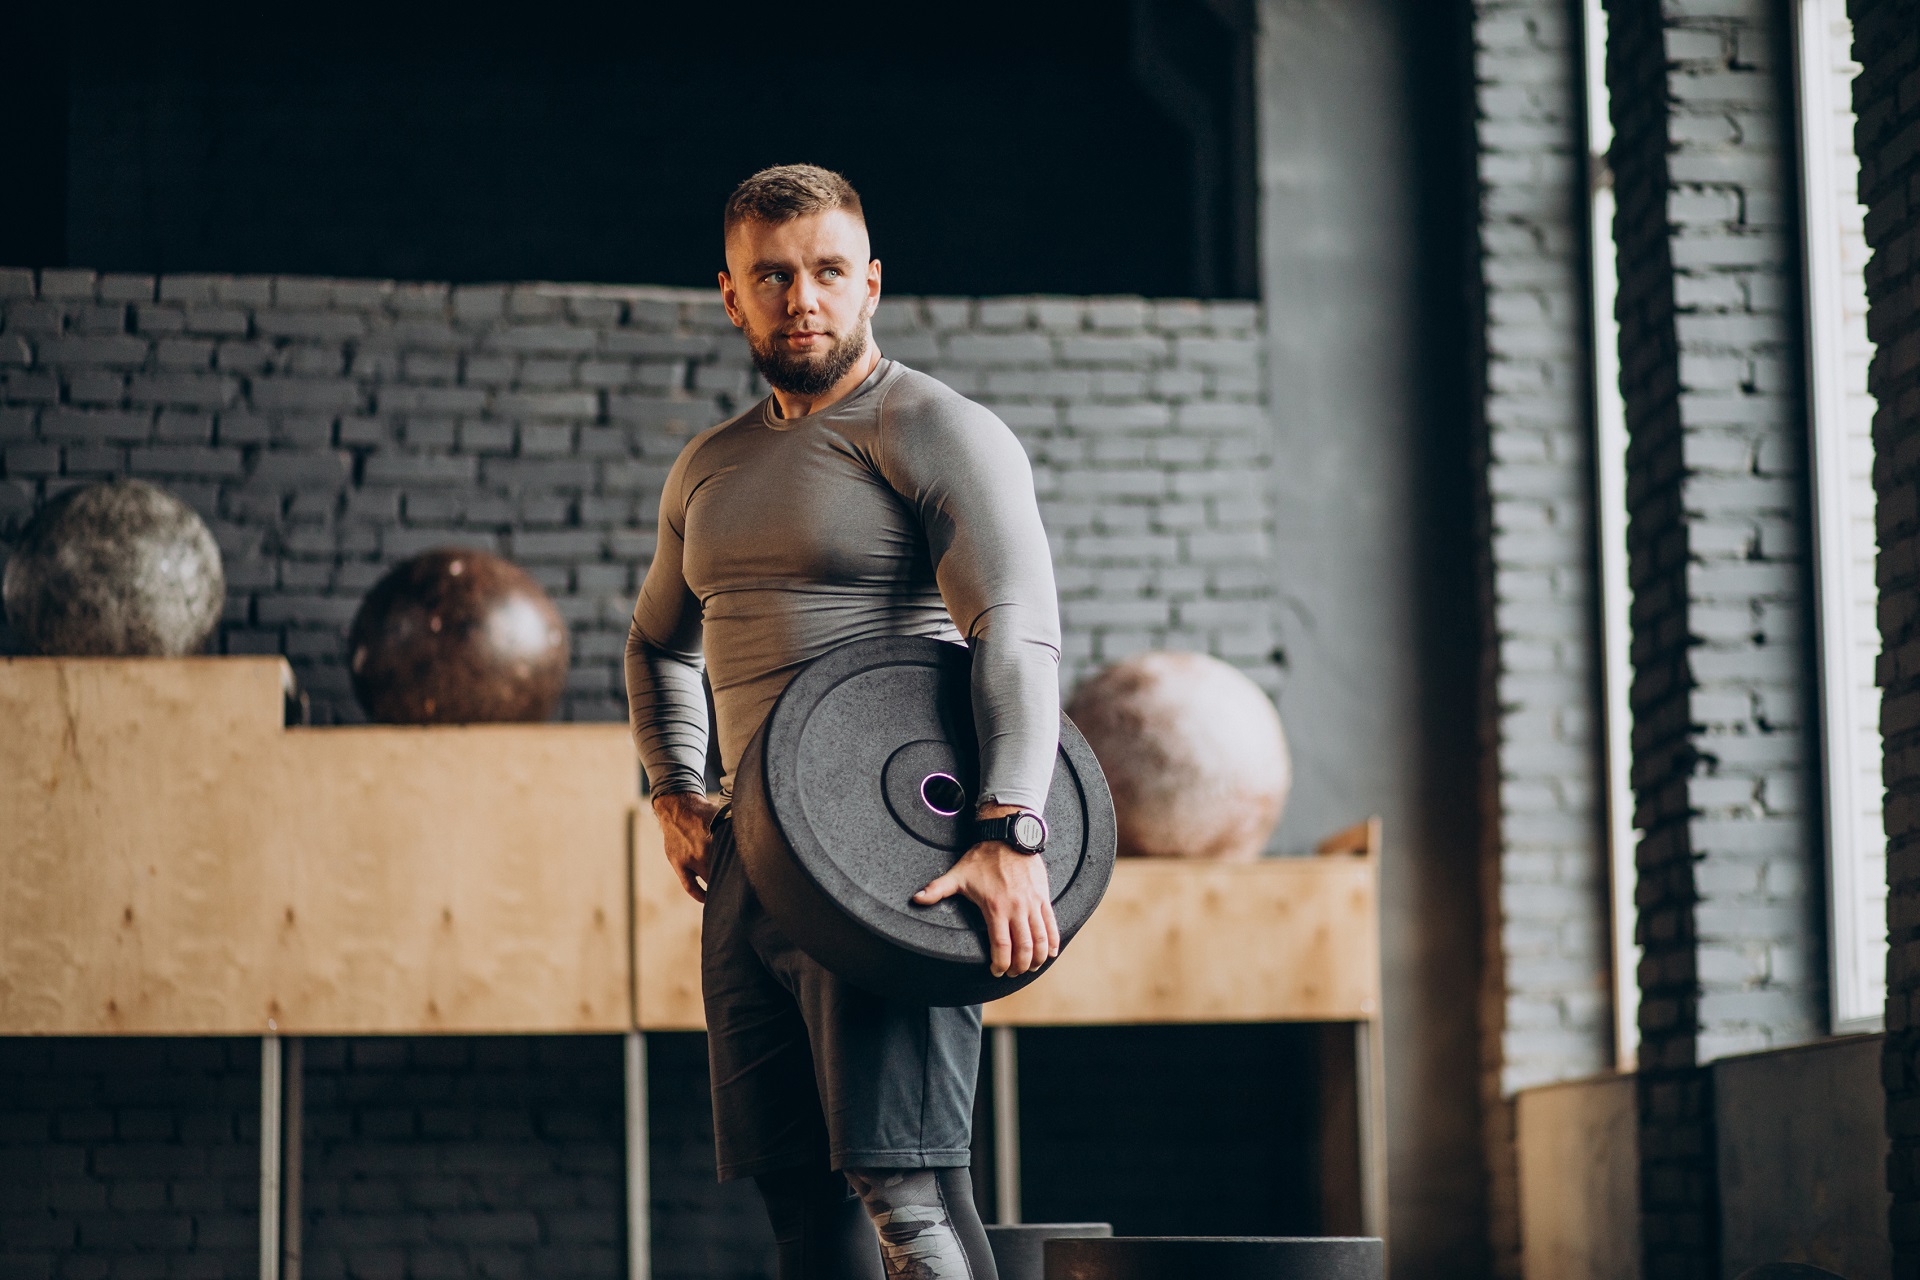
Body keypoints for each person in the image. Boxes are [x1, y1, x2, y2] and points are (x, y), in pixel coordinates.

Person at [625, 164, 1063, 1280]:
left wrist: (1010, 827)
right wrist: (677, 789)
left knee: (907, 1192)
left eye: (826, 271)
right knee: (802, 1205)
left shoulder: (932, 428)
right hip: (749, 869)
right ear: (731, 294)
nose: (801, 297)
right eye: (772, 275)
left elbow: (1014, 630)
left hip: (883, 860)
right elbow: (654, 643)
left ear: (870, 284)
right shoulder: (709, 464)